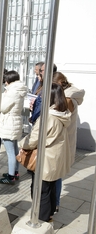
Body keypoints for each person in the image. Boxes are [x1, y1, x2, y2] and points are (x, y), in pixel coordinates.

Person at [19, 83, 71, 222]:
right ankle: (50, 215)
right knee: (51, 188)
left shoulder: (48, 116)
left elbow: (33, 139)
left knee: (41, 191)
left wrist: (21, 144)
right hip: (54, 158)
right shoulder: (62, 113)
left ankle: (42, 220)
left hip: (45, 159)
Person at [52, 72, 85, 212]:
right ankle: (54, 203)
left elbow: (62, 120)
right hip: (63, 139)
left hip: (62, 140)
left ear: (59, 84)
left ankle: (55, 203)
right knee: (55, 174)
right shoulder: (67, 95)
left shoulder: (68, 98)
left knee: (56, 174)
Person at [0, 71, 28, 185]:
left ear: (8, 81)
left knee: (10, 152)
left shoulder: (11, 92)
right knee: (14, 149)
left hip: (9, 123)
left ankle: (11, 177)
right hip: (15, 121)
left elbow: (3, 108)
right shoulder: (18, 90)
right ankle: (15, 172)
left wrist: (3, 94)